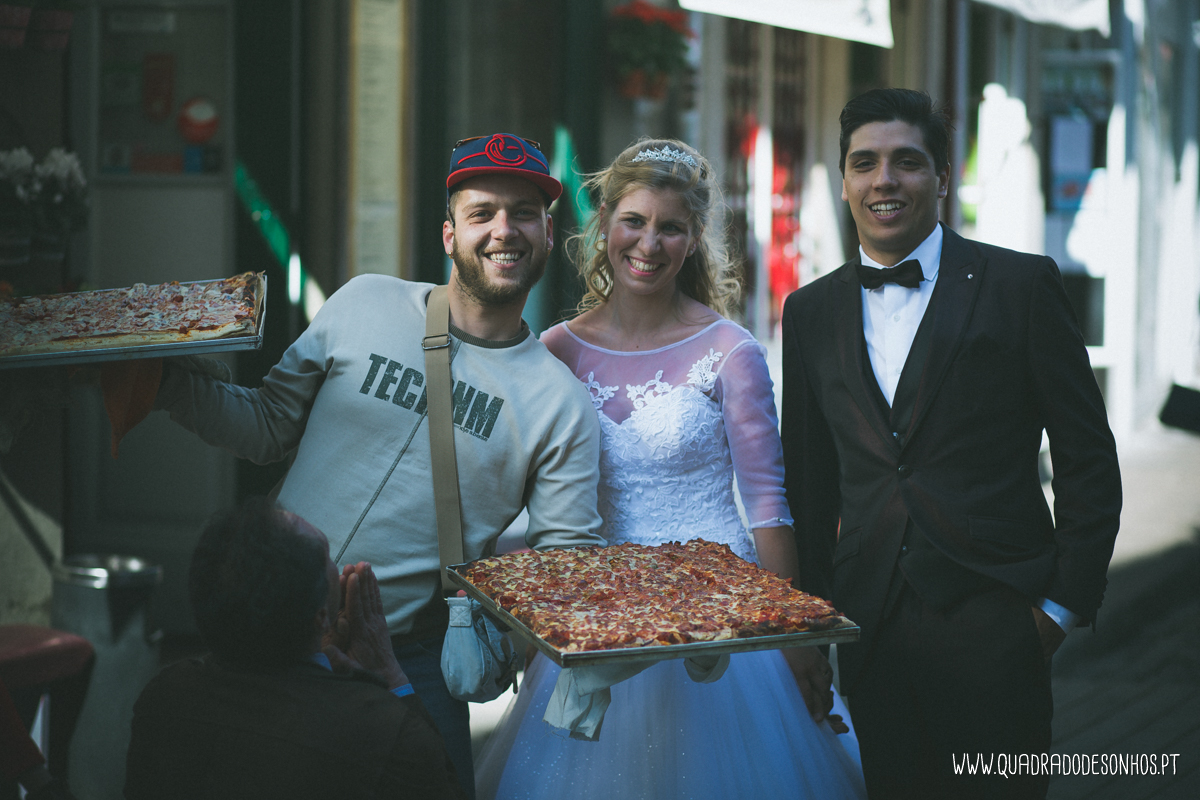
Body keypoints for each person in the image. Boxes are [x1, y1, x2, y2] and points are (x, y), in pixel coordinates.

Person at [153, 133, 606, 798]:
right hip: (264, 634)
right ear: (449, 234)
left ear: (546, 232)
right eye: (482, 213)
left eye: (525, 212)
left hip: (404, 660)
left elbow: (560, 572)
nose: (504, 230)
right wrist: (159, 382)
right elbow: (267, 423)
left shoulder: (561, 404)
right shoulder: (364, 301)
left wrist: (493, 650)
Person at [474, 139, 867, 800]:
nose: (648, 243)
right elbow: (520, 493)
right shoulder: (555, 352)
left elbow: (769, 510)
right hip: (599, 624)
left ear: (693, 242)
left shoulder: (729, 352)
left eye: (671, 228)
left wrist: (796, 639)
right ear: (603, 227)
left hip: (719, 630)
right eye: (635, 221)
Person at [780, 88, 1122, 798]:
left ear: (941, 178)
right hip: (868, 625)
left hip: (999, 618)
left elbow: (1088, 458)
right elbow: (808, 485)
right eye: (864, 162)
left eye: (907, 162)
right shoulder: (809, 311)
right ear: (843, 179)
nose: (884, 180)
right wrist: (810, 625)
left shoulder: (1021, 285)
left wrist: (1059, 608)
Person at [124, 498, 465, 799]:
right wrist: (390, 675)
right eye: (329, 557)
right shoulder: (381, 730)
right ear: (320, 616)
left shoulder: (164, 698)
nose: (336, 564)